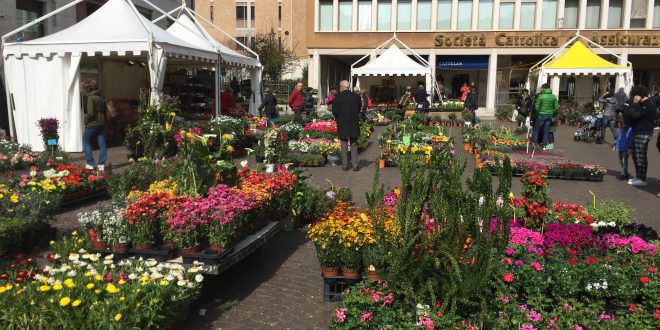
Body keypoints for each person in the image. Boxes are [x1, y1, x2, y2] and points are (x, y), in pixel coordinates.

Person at [626, 85, 656, 186]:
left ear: (640, 95)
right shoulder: (643, 104)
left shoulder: (648, 104)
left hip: (644, 132)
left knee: (640, 156)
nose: (635, 98)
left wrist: (634, 104)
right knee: (636, 156)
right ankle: (639, 176)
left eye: (636, 96)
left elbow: (636, 115)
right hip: (638, 132)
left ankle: (642, 178)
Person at [332, 80, 362, 171]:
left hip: (342, 123)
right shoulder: (356, 97)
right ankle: (355, 165)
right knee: (354, 144)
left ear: (341, 87)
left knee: (344, 144)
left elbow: (334, 111)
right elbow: (359, 109)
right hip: (353, 122)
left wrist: (339, 117)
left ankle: (345, 165)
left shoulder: (338, 97)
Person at [82, 80, 107, 172]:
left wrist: (85, 120)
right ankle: (101, 164)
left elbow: (91, 113)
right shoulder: (102, 97)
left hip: (92, 124)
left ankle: (90, 164)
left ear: (88, 88)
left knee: (86, 141)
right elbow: (104, 112)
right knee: (102, 144)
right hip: (101, 123)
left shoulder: (90, 98)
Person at [532, 83, 559, 150]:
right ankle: (544, 146)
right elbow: (556, 107)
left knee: (536, 130)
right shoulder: (553, 96)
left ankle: (534, 144)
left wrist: (539, 112)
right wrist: (551, 112)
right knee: (546, 131)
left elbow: (536, 107)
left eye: (541, 88)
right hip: (549, 115)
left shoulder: (541, 96)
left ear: (543, 88)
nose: (541, 89)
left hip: (541, 115)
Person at [615, 102, 634, 180]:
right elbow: (620, 135)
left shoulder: (631, 128)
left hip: (627, 145)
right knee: (621, 159)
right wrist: (616, 142)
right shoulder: (622, 127)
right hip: (621, 144)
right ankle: (625, 173)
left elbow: (631, 137)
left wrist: (630, 146)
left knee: (624, 159)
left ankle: (623, 174)